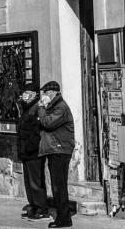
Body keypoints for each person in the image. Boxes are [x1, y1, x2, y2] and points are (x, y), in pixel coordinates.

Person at [37, 81, 75, 229]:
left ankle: (64, 219)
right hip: (55, 150)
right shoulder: (54, 107)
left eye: (45, 93)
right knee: (56, 186)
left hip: (60, 150)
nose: (43, 96)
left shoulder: (60, 108)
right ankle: (62, 217)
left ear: (53, 93)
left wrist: (41, 108)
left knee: (59, 186)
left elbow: (47, 123)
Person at [17, 83, 49, 221]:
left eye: (28, 92)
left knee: (36, 181)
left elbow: (37, 130)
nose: (25, 95)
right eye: (24, 92)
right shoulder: (26, 107)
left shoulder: (37, 107)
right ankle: (34, 206)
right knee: (29, 182)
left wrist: (31, 146)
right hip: (26, 151)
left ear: (35, 94)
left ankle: (42, 209)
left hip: (34, 151)